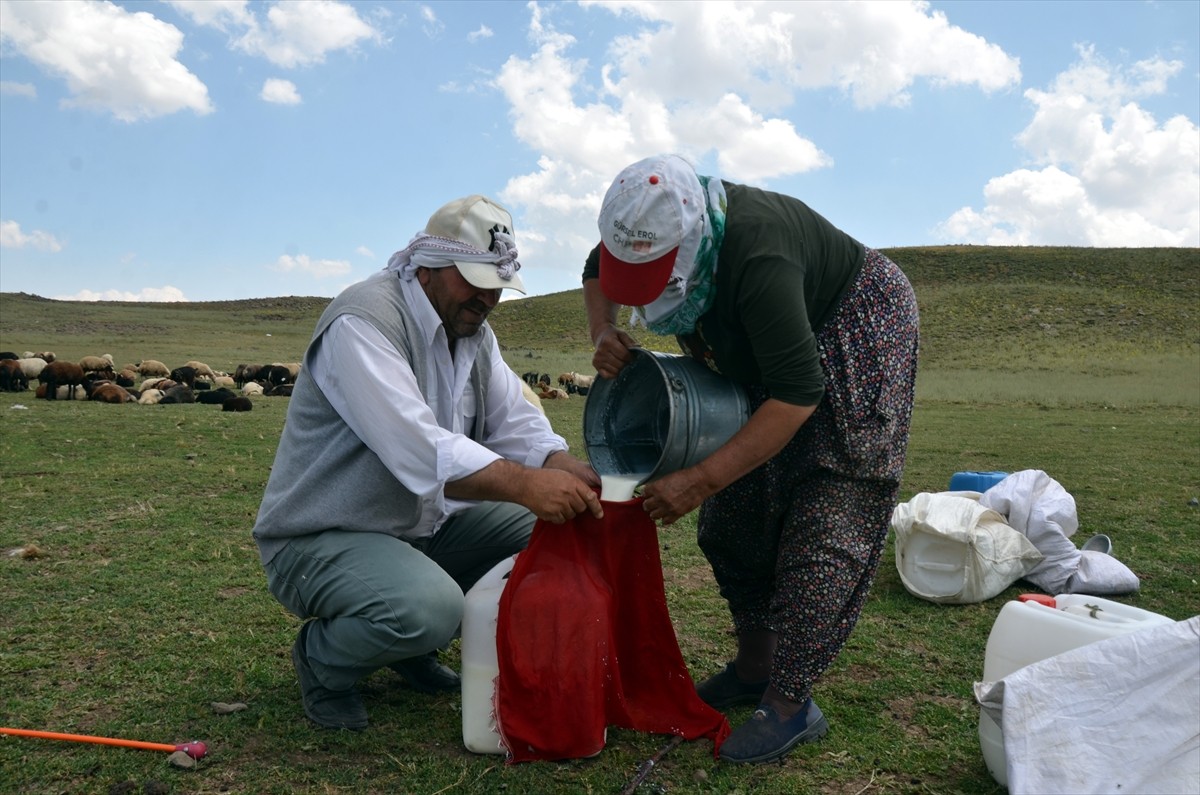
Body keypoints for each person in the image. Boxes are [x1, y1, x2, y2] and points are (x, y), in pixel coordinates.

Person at [582, 154, 919, 764]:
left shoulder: (758, 253)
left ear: (687, 241)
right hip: (763, 333)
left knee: (828, 508)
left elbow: (796, 392)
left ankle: (791, 701)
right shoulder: (639, 224)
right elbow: (593, 270)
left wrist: (698, 480)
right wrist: (603, 331)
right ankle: (755, 665)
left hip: (852, 325)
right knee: (738, 507)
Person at [254, 194, 603, 731]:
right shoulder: (364, 321)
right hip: (321, 535)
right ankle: (323, 660)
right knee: (430, 609)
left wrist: (559, 462)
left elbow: (513, 418)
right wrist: (526, 483)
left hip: (415, 526)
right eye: (473, 279)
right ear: (429, 265)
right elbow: (418, 447)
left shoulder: (473, 333)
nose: (487, 297)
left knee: (551, 529)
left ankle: (408, 649)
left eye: (496, 285)